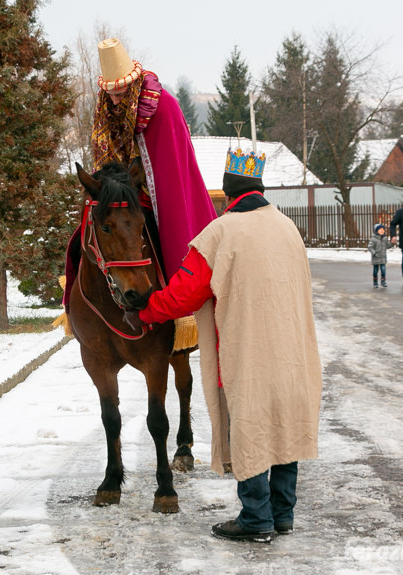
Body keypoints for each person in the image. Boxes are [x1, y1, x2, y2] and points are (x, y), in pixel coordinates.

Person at [124, 148, 323, 543]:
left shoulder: (221, 232)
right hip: (294, 354)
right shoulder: (287, 227)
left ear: (228, 194)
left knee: (250, 429)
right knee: (284, 430)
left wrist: (146, 311)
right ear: (259, 188)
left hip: (248, 353)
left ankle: (255, 518)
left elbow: (184, 294)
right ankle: (282, 515)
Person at [63, 38, 216, 312]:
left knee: (167, 234)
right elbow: (107, 150)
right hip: (124, 188)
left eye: (119, 94)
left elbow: (170, 163)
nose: (113, 99)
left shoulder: (164, 106)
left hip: (157, 192)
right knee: (87, 234)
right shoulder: (108, 105)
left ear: (133, 86)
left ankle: (177, 305)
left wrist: (143, 181)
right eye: (109, 93)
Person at [368, 223, 391, 287]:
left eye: (383, 229)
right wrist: (374, 253)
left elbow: (387, 246)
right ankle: (375, 282)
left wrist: (392, 243)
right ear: (376, 230)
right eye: (380, 229)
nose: (382, 230)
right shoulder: (373, 239)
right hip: (376, 258)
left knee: (383, 270)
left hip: (383, 258)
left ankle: (383, 281)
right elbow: (370, 247)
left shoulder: (385, 238)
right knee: (375, 271)